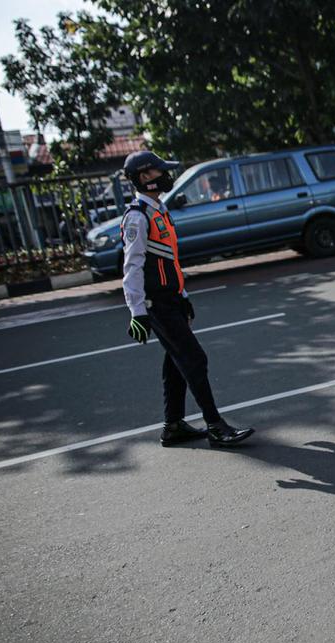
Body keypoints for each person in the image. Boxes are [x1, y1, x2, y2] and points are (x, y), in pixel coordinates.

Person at [119, 151, 254, 448]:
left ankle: (173, 425)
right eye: (158, 172)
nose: (165, 176)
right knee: (193, 358)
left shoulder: (158, 209)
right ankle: (215, 425)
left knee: (176, 360)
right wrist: (137, 311)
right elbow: (132, 266)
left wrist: (184, 296)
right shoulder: (137, 217)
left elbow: (170, 262)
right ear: (144, 178)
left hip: (171, 299)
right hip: (157, 304)